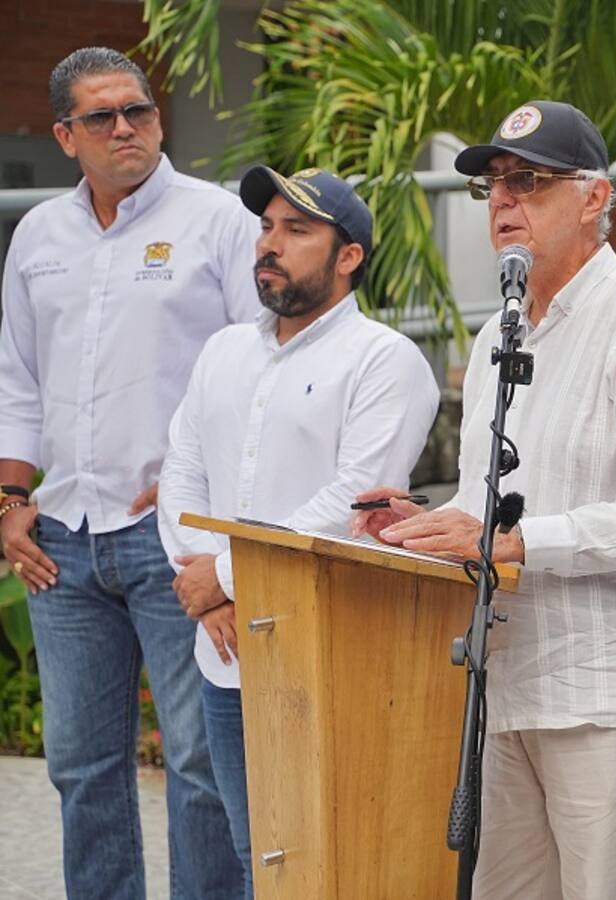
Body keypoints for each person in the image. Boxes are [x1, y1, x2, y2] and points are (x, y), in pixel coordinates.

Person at [352, 100, 616, 899]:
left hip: (609, 695)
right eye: (494, 185)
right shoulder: (500, 333)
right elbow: (497, 496)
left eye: (529, 181)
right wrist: (422, 516)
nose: (505, 201)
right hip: (507, 679)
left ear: (595, 198)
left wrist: (514, 545)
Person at [0, 47, 259, 899]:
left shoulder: (218, 221)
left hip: (174, 539)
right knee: (80, 764)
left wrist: (201, 494)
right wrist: (10, 497)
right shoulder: (39, 235)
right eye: (102, 117)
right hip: (63, 546)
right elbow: (18, 381)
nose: (126, 128)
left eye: (138, 111)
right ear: (65, 136)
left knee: (198, 762)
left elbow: (258, 369)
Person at [156, 165, 439, 897]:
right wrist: (209, 588)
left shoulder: (385, 360)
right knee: (254, 855)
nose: (270, 244)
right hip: (227, 648)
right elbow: (181, 470)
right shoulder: (223, 351)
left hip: (329, 654)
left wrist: (219, 576)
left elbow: (356, 502)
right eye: (267, 226)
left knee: (322, 864)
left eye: (297, 230)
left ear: (349, 257)